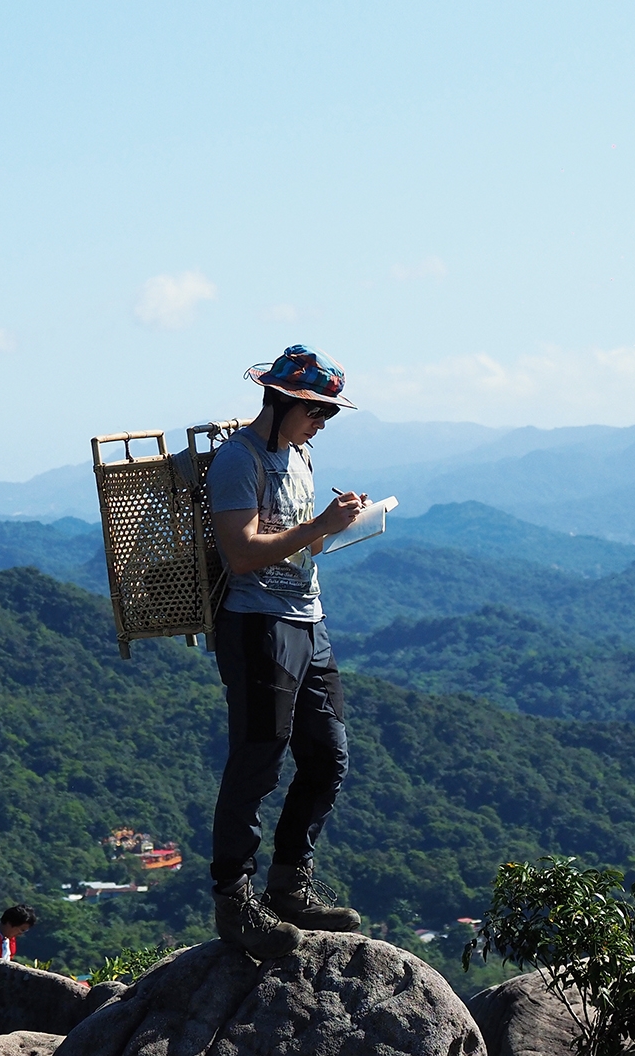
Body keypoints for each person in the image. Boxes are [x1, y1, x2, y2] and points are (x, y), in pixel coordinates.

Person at [203, 344, 370, 957]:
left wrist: (336, 526)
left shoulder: (298, 457)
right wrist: (319, 527)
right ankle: (235, 899)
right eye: (316, 412)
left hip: (308, 618)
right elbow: (243, 553)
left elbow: (300, 543)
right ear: (281, 401)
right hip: (256, 624)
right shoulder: (236, 462)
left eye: (327, 415)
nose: (321, 423)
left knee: (328, 756)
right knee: (258, 761)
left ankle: (288, 884)